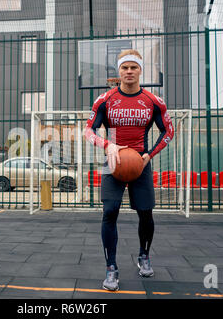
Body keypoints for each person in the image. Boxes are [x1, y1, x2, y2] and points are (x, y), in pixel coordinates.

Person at [84, 49, 174, 291]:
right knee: (109, 211)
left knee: (145, 213)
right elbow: (88, 130)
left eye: (134, 67)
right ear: (119, 71)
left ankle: (144, 255)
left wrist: (149, 155)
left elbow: (168, 132)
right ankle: (111, 268)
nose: (129, 71)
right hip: (113, 161)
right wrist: (107, 145)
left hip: (140, 162)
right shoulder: (104, 100)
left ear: (140, 70)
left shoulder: (154, 101)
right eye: (125, 67)